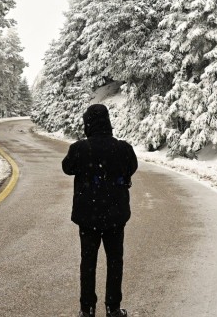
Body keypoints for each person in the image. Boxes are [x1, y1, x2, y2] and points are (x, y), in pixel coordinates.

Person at [62, 104, 138, 317]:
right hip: (115, 216)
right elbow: (132, 167)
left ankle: (87, 309)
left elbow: (67, 168)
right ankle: (113, 308)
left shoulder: (79, 149)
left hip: (88, 217)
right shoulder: (123, 148)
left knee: (88, 262)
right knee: (115, 261)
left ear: (88, 124)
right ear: (108, 122)